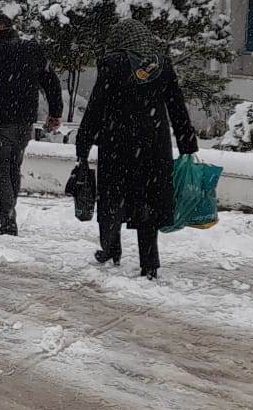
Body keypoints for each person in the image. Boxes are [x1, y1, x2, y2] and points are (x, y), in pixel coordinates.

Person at [76, 19, 197, 279]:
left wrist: (83, 142)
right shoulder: (161, 64)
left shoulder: (113, 63)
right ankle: (149, 262)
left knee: (111, 197)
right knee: (147, 202)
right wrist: (187, 142)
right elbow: (176, 104)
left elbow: (97, 105)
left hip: (117, 143)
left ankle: (110, 248)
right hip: (154, 145)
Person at [0, 12, 64, 235]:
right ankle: (8, 211)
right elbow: (51, 82)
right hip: (24, 120)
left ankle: (8, 218)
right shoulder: (32, 49)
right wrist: (55, 112)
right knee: (13, 167)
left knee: (0, 169)